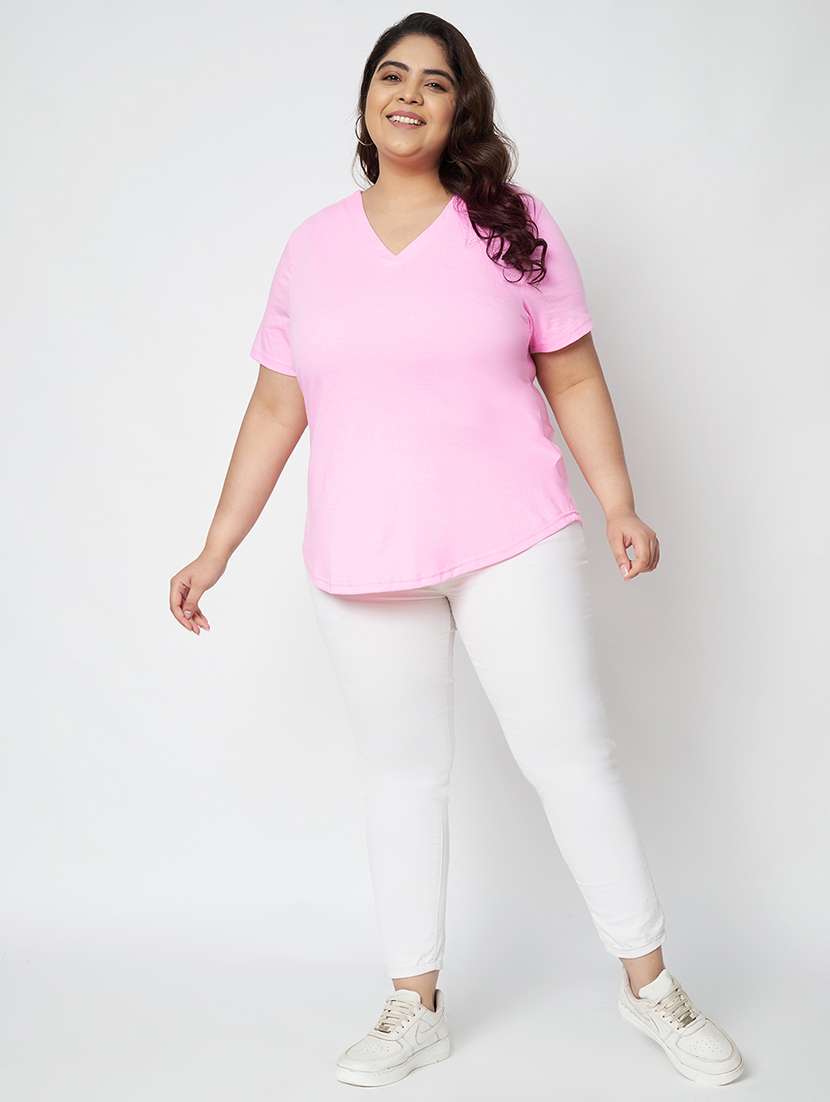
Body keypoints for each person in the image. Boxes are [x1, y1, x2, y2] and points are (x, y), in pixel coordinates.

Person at [169, 11, 744, 1091]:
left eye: (434, 82)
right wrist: (217, 548)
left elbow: (573, 372)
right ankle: (413, 1004)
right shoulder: (312, 248)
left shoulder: (512, 225)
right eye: (392, 76)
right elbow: (274, 407)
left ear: (458, 109)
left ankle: (651, 986)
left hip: (510, 534)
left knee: (568, 758)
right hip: (363, 550)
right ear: (365, 101)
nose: (409, 94)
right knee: (401, 777)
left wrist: (619, 503)